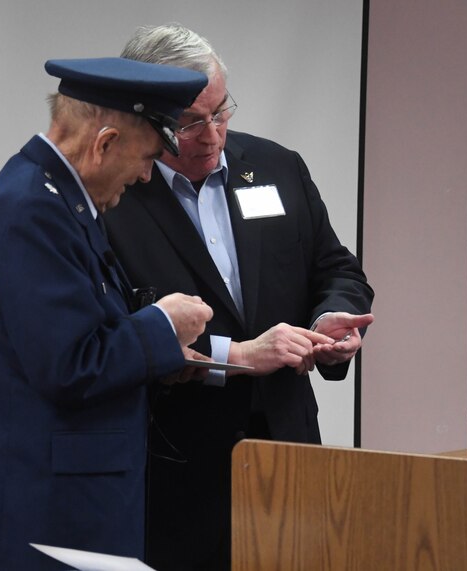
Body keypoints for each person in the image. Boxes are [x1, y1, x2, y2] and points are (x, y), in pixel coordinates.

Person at [104, 24, 375, 570]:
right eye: (190, 123)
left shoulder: (278, 167)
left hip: (288, 450)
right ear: (145, 118)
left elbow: (335, 266)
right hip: (176, 466)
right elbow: (118, 330)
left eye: (221, 111)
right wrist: (243, 353)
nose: (213, 135)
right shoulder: (113, 196)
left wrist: (332, 319)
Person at [0, 57, 214, 570]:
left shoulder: (57, 198)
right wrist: (163, 325)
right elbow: (70, 364)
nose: (148, 174)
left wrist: (170, 350)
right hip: (40, 518)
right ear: (104, 143)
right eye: (148, 156)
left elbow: (89, 326)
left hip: (61, 508)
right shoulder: (32, 210)